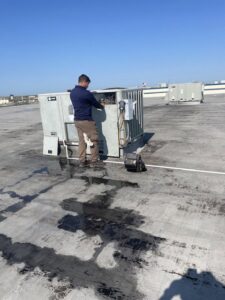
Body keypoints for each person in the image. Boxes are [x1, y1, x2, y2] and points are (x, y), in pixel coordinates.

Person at [70, 74, 104, 168]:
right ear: (84, 82)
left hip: (77, 120)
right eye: (88, 83)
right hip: (87, 120)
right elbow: (96, 104)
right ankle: (94, 161)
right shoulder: (87, 93)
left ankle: (82, 161)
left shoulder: (72, 92)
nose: (88, 85)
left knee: (82, 141)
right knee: (94, 140)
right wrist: (102, 105)